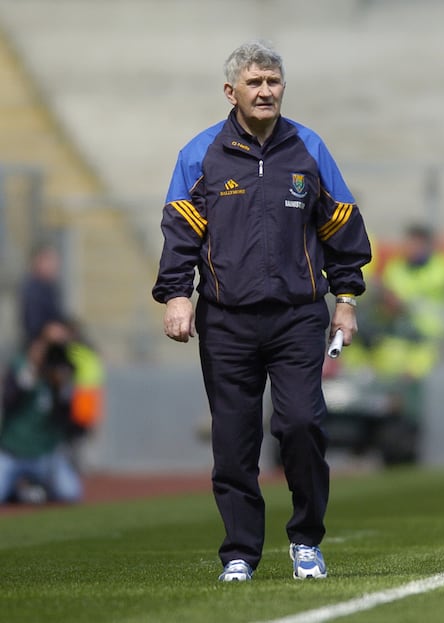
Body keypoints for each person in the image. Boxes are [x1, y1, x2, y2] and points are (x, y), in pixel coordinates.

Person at [152, 41, 371, 582]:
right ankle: (239, 554)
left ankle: (306, 543)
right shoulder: (199, 154)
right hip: (226, 320)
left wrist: (345, 300)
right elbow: (179, 235)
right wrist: (177, 294)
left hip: (299, 315)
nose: (266, 91)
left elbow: (342, 228)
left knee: (301, 426)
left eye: (273, 82)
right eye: (255, 83)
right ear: (231, 92)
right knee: (234, 441)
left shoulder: (309, 148)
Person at [0, 322, 82, 504]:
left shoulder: (63, 371)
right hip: (13, 452)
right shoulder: (21, 365)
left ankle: (31, 490)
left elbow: (65, 419)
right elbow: (8, 402)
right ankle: (22, 490)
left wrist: (61, 389)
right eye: (50, 343)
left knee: (70, 492)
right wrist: (31, 369)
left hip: (45, 454)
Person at [19, 242, 65, 346]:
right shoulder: (32, 289)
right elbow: (33, 324)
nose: (53, 265)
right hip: (38, 344)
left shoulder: (50, 287)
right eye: (49, 260)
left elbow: (58, 317)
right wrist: (49, 331)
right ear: (38, 261)